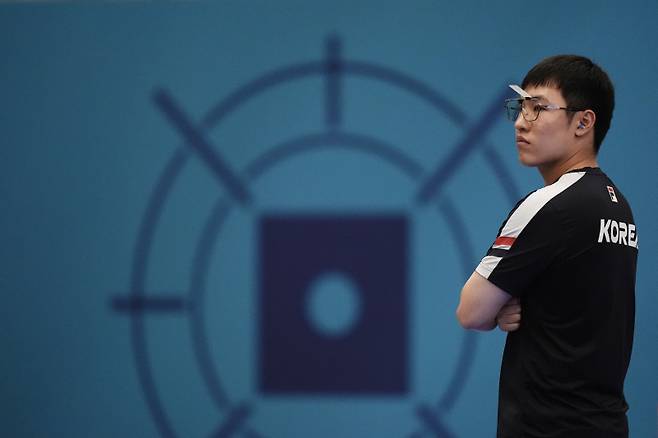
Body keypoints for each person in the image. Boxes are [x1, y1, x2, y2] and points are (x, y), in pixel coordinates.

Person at [456, 55, 638, 438]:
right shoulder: (617, 205)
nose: (522, 122)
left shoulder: (549, 203)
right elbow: (571, 304)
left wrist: (499, 306)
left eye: (539, 108)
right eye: (520, 108)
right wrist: (513, 305)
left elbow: (471, 311)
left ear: (583, 122)